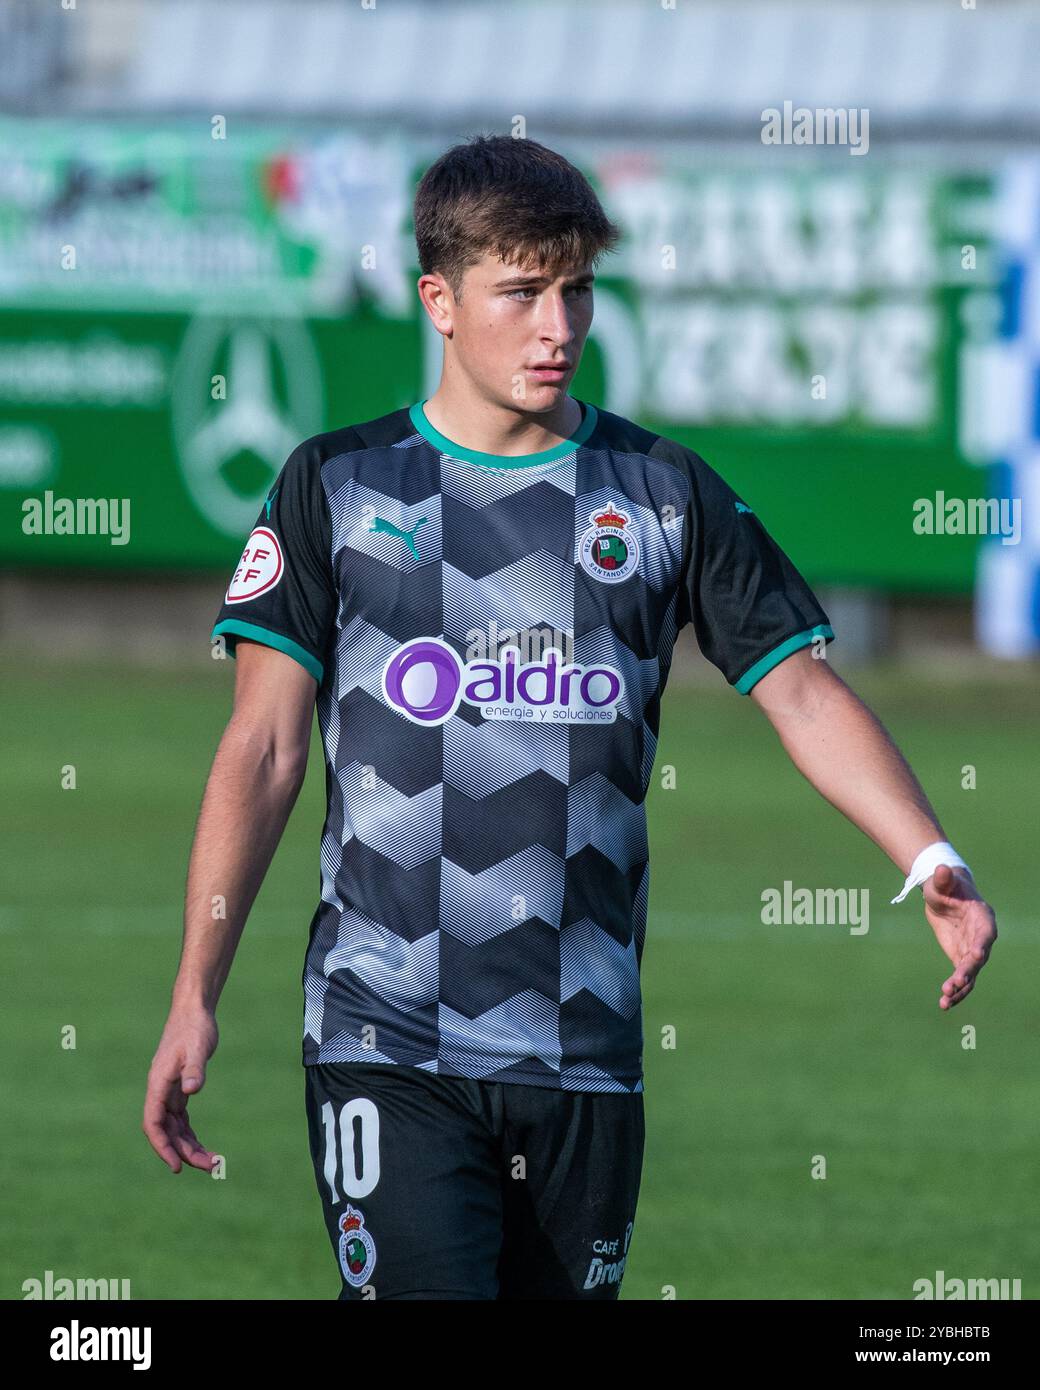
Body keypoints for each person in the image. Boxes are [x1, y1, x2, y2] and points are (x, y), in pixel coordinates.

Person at [143, 134, 997, 1300]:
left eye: (577, 290)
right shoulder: (336, 486)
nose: (558, 325)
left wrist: (927, 854)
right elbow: (265, 747)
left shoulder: (661, 492)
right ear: (438, 301)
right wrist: (196, 992)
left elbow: (798, 690)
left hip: (584, 1052)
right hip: (386, 1038)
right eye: (523, 291)